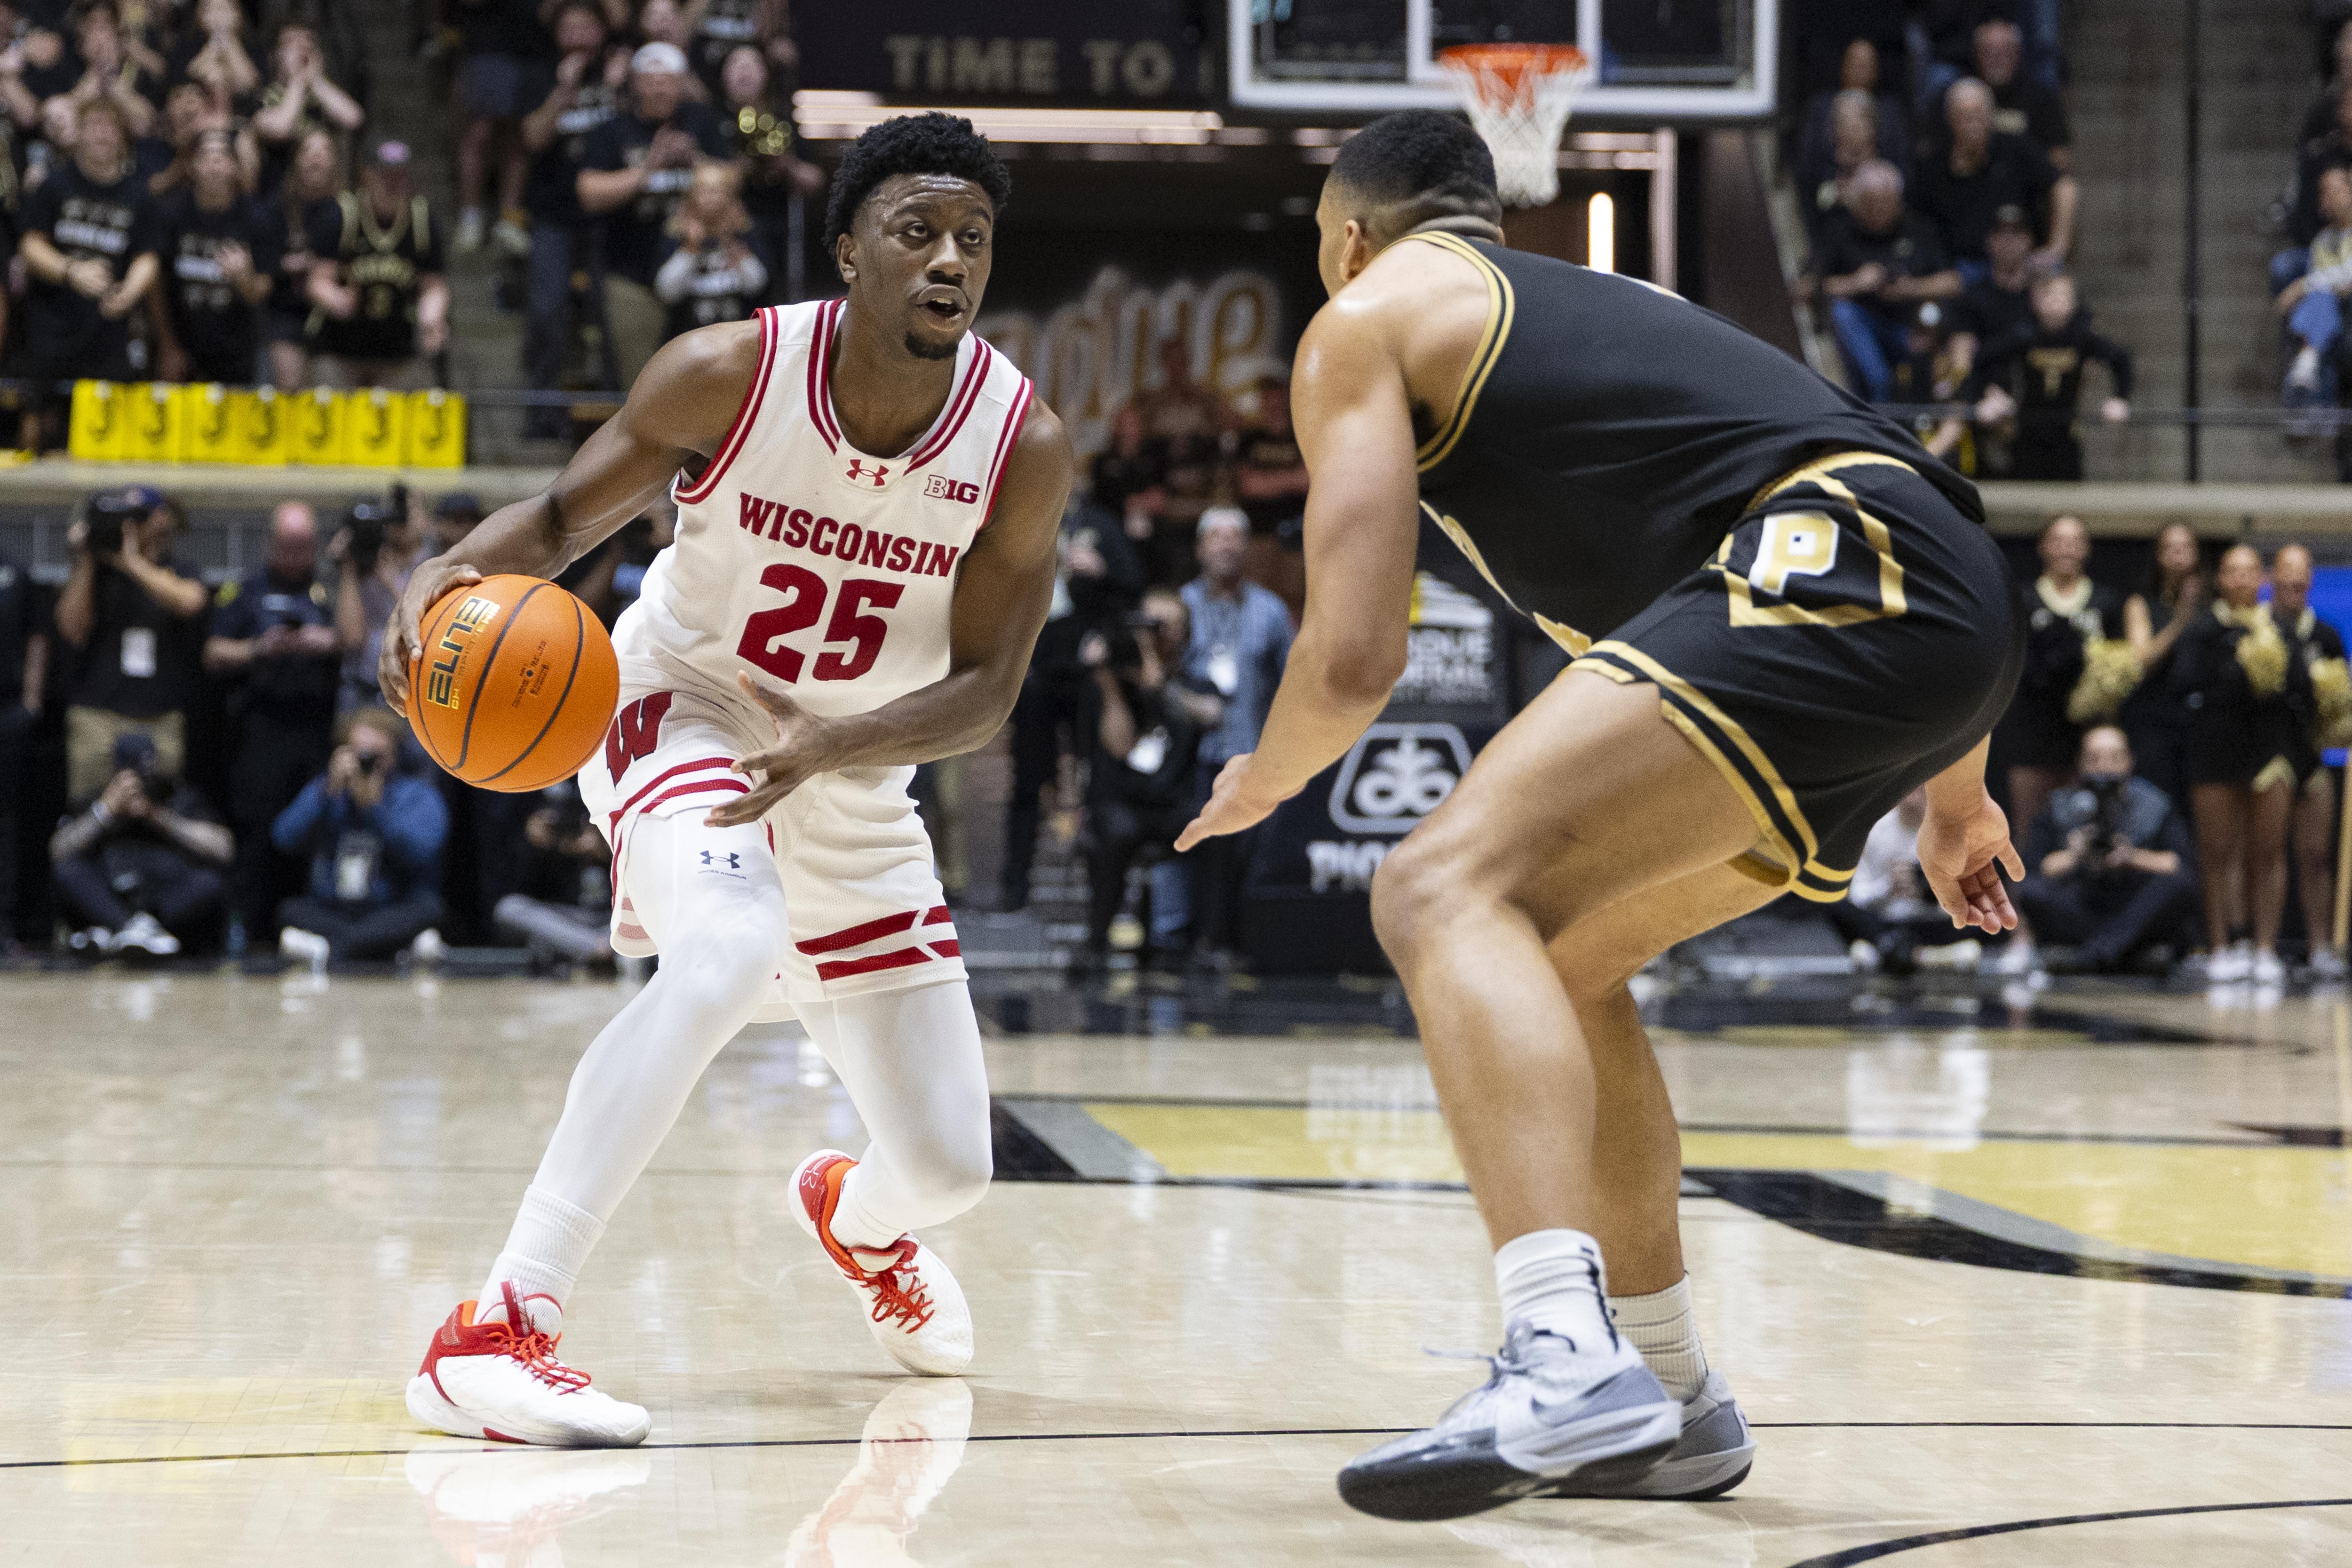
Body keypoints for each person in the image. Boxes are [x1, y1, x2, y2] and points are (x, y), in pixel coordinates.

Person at [1174, 111, 2022, 1519]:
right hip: (1936, 596)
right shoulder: (1598, 312)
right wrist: (1957, 799)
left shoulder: (1367, 317)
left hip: (1830, 567)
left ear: (1346, 237)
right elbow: (1896, 487)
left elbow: (1350, 659)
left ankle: (1557, 1347)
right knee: (1557, 963)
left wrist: (1264, 776)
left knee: (1434, 887)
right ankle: (1676, 1393)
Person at [375, 111, 1072, 1446]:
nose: (949, 261)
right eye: (917, 230)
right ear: (849, 248)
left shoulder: (1019, 447)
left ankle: (858, 1227)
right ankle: (494, 1326)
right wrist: (445, 570)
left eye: (972, 240)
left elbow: (987, 693)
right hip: (683, 704)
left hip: (855, 774)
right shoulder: (727, 373)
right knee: (730, 946)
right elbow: (566, 522)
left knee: (947, 1167)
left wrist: (834, 750)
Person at [204, 501, 344, 944]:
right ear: (273, 544)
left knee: (309, 833)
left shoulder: (329, 592)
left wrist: (326, 643)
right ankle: (251, 934)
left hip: (313, 732)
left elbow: (358, 641)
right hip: (261, 732)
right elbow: (213, 652)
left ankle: (303, 929)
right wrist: (260, 648)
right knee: (257, 835)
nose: (297, 554)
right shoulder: (245, 592)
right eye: (289, 545)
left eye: (305, 545)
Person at [998, 492, 1144, 913]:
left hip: (1086, 673)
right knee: (1028, 781)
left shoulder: (1097, 523)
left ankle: (1099, 888)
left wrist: (1101, 570)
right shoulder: (1022, 519)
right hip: (1036, 672)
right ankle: (1015, 887)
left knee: (1097, 780)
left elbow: (1133, 584)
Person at [1072, 589, 1220, 974]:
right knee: (1116, 832)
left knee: (1217, 834)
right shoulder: (1111, 681)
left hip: (1173, 801)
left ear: (1185, 632)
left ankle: (1205, 941)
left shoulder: (1197, 682)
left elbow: (1209, 713)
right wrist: (1108, 682)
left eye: (1165, 625)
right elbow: (1120, 747)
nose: (1154, 633)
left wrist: (1157, 677)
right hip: (1122, 801)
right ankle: (1097, 940)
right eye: (1148, 623)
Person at [2177, 545, 2305, 986]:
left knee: (2268, 852)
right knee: (2217, 853)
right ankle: (2220, 947)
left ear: (2263, 578)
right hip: (2215, 753)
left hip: (2270, 753)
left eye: (2251, 571)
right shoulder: (2203, 628)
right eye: (2233, 572)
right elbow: (2185, 682)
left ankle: (2265, 948)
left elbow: (2302, 687)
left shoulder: (2282, 628)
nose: (2242, 580)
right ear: (2221, 579)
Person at [1175, 508, 1291, 965]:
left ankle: (1241, 945)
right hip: (1191, 754)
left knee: (1247, 854)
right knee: (1199, 852)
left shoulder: (1270, 610)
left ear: (1246, 549)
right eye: (1216, 538)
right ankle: (1194, 940)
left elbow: (1291, 683)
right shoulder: (1180, 604)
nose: (1226, 546)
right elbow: (1160, 674)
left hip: (1250, 755)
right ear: (1201, 549)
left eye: (1234, 538)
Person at [578, 40, 727, 390]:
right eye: (651, 79)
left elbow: (733, 186)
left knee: (704, 387)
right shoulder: (611, 130)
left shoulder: (703, 123)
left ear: (682, 84)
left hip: (699, 277)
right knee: (643, 387)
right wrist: (649, 167)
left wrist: (696, 161)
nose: (660, 87)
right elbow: (589, 193)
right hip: (632, 275)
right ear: (635, 85)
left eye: (668, 80)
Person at [15, 96, 160, 447]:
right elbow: (30, 246)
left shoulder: (140, 195)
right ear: (78, 134)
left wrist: (130, 292)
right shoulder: (53, 185)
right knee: (37, 427)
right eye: (94, 126)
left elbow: (148, 257)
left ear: (123, 137)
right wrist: (70, 270)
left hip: (108, 329)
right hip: (51, 325)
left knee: (105, 433)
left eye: (111, 127)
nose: (102, 135)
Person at [54, 490, 208, 803]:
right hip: (98, 717)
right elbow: (70, 629)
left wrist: (133, 563)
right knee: (90, 812)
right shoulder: (98, 573)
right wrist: (86, 558)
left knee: (160, 812)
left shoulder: (178, 570)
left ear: (162, 519)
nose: (132, 526)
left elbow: (192, 602)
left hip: (159, 719)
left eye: (140, 517)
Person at [519, 1, 630, 428]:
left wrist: (622, 91)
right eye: (570, 25)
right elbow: (532, 138)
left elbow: (633, 130)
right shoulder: (542, 72)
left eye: (588, 24)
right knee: (547, 311)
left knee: (608, 315)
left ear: (602, 30)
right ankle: (541, 414)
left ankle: (620, 419)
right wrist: (562, 92)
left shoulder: (619, 72)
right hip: (553, 212)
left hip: (609, 216)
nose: (580, 32)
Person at [2012, 725, 2197, 974]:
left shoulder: (2154, 804)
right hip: (2082, 901)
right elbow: (2036, 868)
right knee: (2029, 891)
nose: (2104, 767)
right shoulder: (2060, 804)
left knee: (2178, 885)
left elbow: (2178, 865)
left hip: (2134, 901)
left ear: (2130, 761)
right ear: (2080, 763)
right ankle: (2122, 952)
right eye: (2095, 758)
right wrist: (2076, 854)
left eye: (2114, 758)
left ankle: (2095, 954)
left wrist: (2132, 857)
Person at [272, 706, 450, 963]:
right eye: (359, 754)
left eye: (376, 757)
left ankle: (328, 949)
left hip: (391, 908)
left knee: (430, 909)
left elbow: (421, 854)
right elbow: (284, 837)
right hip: (334, 908)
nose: (366, 763)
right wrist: (325, 792)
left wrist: (375, 809)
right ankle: (386, 949)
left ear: (396, 755)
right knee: (288, 910)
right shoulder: (329, 789)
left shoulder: (418, 796)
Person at [49, 729, 232, 958]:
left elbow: (224, 848)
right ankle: (130, 928)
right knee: (67, 873)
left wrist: (156, 815)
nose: (139, 783)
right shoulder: (97, 800)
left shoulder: (176, 796)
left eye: (145, 773)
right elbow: (58, 851)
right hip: (113, 899)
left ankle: (125, 933)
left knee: (210, 881)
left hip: (164, 904)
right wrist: (105, 812)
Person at [1934, 272, 2131, 480]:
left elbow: (2121, 360)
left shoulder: (2082, 338)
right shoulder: (2025, 335)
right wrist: (1986, 396)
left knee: (2068, 501)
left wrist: (2119, 398)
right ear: (2037, 300)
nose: (2058, 303)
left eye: (2065, 296)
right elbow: (1983, 361)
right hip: (2027, 434)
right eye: (2051, 296)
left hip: (2067, 434)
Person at [2000, 515, 2126, 839]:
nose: (2066, 549)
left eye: (2074, 541)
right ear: (2043, 547)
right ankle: (2027, 893)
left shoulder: (2106, 601)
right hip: (2032, 730)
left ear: (2086, 548)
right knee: (2029, 833)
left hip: (2087, 735)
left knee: (2088, 828)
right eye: (2058, 540)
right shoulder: (2023, 598)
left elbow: (2119, 668)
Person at [306, 138, 452, 390]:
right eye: (385, 175)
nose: (392, 183)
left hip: (397, 352)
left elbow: (433, 284)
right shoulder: (341, 214)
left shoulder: (422, 220)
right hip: (339, 351)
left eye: (399, 175)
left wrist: (432, 316)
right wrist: (336, 299)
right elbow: (318, 279)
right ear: (367, 175)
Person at [1812, 159, 1962, 404]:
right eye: (1873, 203)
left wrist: (1912, 288)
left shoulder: (1918, 229)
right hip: (1866, 326)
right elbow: (1805, 287)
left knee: (1936, 313)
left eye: (1888, 201)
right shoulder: (1840, 232)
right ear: (1858, 203)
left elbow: (1955, 281)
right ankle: (1879, 392)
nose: (1882, 209)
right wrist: (1855, 283)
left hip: (1912, 326)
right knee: (1844, 313)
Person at [2270, 543, 2348, 979]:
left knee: (2316, 855)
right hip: (2267, 760)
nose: (2295, 582)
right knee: (2268, 855)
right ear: (2274, 578)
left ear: (2311, 580)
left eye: (2303, 574)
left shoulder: (2327, 636)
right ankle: (2263, 947)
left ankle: (2322, 947)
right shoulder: (2258, 632)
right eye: (2287, 573)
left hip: (2313, 758)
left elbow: (2339, 706)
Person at [1910, 78, 2074, 277]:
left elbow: (2065, 187)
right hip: (1959, 271)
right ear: (1950, 120)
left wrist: (2057, 248)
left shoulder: (2015, 148)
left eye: (1978, 115)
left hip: (2020, 265)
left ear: (1990, 118)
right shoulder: (1933, 167)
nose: (1972, 124)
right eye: (1964, 116)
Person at [150, 128, 270, 384]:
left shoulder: (256, 218)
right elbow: (156, 285)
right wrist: (167, 344)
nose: (214, 164)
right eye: (205, 156)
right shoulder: (172, 214)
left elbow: (263, 290)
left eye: (223, 157)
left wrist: (244, 278)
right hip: (180, 348)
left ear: (236, 168)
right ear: (193, 167)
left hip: (238, 352)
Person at [451, 0, 552, 258]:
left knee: (521, 135)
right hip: (490, 42)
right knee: (480, 131)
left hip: (538, 43)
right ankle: (472, 215)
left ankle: (510, 219)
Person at [2119, 522, 2207, 809]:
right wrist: (2181, 619)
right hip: (2153, 723)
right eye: (2170, 548)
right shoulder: (2141, 603)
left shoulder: (2212, 605)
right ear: (2158, 556)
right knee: (2156, 806)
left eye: (2185, 548)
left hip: (2199, 726)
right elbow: (2142, 659)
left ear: (2196, 555)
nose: (2178, 555)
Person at [253, 125, 342, 391]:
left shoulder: (347, 210)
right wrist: (287, 265)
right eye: (308, 151)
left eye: (324, 151)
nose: (316, 158)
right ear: (296, 160)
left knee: (327, 392)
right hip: (286, 310)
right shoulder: (276, 208)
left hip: (332, 316)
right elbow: (262, 263)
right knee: (289, 386)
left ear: (335, 163)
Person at [494, 784, 615, 965]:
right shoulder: (536, 826)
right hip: (566, 918)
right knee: (509, 909)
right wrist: (541, 848)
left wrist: (606, 851)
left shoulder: (607, 813)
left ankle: (590, 950)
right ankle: (598, 950)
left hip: (611, 917)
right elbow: (517, 889)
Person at [652, 159, 767, 340]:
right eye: (704, 190)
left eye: (718, 190)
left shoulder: (746, 234)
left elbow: (758, 286)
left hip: (739, 337)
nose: (711, 198)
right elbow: (666, 293)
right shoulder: (675, 234)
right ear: (691, 197)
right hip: (687, 339)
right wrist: (690, 248)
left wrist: (731, 242)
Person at [334, 496, 425, 712]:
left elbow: (418, 620)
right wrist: (348, 568)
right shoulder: (347, 575)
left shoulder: (411, 570)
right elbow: (353, 637)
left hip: (404, 688)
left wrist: (389, 577)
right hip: (358, 690)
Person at [2274, 165, 2352, 415]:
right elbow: (2335, 283)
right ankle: (2317, 409)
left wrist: (2301, 286)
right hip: (2334, 317)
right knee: (2322, 306)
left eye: (2336, 190)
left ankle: (2307, 369)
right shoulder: (2322, 241)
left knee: (2318, 301)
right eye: (2324, 192)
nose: (2329, 197)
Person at [0, 551, 49, 948]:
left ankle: (6, 926)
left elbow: (38, 635)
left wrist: (31, 701)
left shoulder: (15, 573)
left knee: (8, 825)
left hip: (7, 711)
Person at [1939, 204, 2038, 395]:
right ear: (1989, 241)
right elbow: (1962, 353)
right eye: (2001, 235)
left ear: (2029, 241)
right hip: (1983, 391)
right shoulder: (1971, 298)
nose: (2008, 242)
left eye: (2016, 235)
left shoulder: (2043, 298)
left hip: (2036, 391)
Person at [1972, 18, 2069, 171]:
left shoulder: (2041, 98)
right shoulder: (1962, 97)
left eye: (2005, 53)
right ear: (1978, 55)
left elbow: (2060, 156)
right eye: (1990, 53)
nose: (1997, 60)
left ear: (2017, 55)